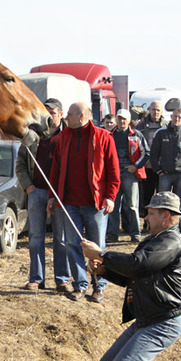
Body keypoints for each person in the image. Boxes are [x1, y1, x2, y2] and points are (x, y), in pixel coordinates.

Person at [81, 191, 181, 361]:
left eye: (151, 212)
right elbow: (134, 276)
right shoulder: (154, 240)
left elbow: (139, 264)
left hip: (162, 323)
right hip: (146, 320)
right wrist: (104, 270)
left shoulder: (171, 242)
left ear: (166, 216)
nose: (146, 216)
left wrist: (103, 255)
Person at [48, 101, 120, 303]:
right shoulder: (63, 138)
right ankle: (80, 285)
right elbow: (55, 168)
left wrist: (110, 196)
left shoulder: (104, 137)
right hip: (69, 202)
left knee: (97, 247)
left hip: (95, 203)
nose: (66, 117)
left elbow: (114, 170)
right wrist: (52, 196)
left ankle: (99, 286)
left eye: (69, 114)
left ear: (81, 116)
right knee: (72, 243)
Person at [16, 98, 70, 292]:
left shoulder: (68, 135)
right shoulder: (33, 135)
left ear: (61, 114)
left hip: (60, 194)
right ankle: (36, 278)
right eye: (46, 113)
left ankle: (62, 279)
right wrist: (27, 186)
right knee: (36, 236)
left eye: (53, 113)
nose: (49, 117)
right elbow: (21, 163)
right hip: (37, 191)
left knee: (61, 237)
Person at [149, 108, 181, 233]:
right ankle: (161, 231)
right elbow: (154, 154)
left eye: (180, 117)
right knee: (162, 205)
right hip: (164, 175)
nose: (177, 119)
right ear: (171, 116)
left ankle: (178, 232)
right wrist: (158, 170)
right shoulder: (161, 133)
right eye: (175, 116)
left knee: (180, 206)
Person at [106, 109, 149, 243]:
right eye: (119, 118)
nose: (122, 121)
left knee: (132, 205)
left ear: (129, 120)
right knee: (113, 205)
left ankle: (135, 234)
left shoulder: (136, 135)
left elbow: (146, 153)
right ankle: (113, 235)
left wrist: (135, 166)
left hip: (129, 173)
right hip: (114, 174)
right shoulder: (110, 135)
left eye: (124, 118)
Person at [135, 101, 167, 232]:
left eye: (158, 110)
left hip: (162, 168)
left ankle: (161, 224)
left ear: (162, 111)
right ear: (149, 110)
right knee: (146, 197)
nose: (156, 112)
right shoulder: (141, 126)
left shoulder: (166, 126)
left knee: (161, 197)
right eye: (153, 110)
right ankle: (147, 223)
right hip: (147, 167)